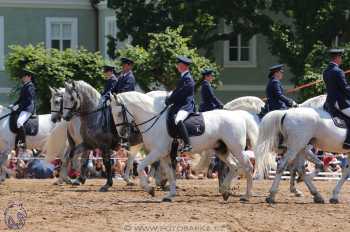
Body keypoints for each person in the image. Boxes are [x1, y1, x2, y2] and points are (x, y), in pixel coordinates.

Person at [165, 55, 195, 153]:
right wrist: (169, 97)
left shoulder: (188, 79)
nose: (177, 66)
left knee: (178, 119)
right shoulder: (183, 78)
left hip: (186, 105)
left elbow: (181, 94)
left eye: (179, 64)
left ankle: (187, 144)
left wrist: (170, 99)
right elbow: (177, 91)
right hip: (180, 105)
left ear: (184, 66)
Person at [323, 48, 350, 148]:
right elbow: (345, 88)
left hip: (329, 101)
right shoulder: (338, 71)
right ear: (337, 58)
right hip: (339, 102)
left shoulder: (326, 71)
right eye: (341, 57)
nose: (341, 59)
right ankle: (348, 141)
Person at [10, 69, 36, 150]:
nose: (22, 78)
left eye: (24, 77)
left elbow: (28, 100)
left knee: (19, 122)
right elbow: (20, 99)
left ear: (29, 77)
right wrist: (13, 104)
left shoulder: (30, 86)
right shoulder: (25, 86)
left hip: (28, 108)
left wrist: (18, 106)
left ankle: (23, 144)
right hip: (23, 108)